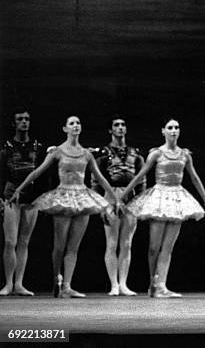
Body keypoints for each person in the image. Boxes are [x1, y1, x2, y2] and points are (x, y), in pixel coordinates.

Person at [11, 116, 114, 298]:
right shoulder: (57, 151)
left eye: (78, 123)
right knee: (59, 245)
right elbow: (37, 171)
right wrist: (19, 188)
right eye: (72, 123)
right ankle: (56, 279)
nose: (76, 126)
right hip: (63, 197)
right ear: (65, 128)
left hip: (82, 197)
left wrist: (115, 199)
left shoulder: (86, 154)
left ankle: (67, 284)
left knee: (74, 246)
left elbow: (100, 178)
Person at [122, 118, 205, 298]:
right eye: (170, 128)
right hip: (159, 196)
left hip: (177, 198)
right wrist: (122, 196)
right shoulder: (156, 153)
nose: (174, 131)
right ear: (163, 131)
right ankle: (152, 283)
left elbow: (195, 178)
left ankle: (162, 285)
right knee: (154, 246)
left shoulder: (185, 154)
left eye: (176, 128)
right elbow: (141, 175)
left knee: (168, 247)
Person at [92, 115, 145, 296]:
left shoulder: (135, 153)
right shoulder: (103, 153)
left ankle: (123, 283)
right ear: (110, 130)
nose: (120, 128)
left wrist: (139, 202)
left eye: (123, 125)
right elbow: (96, 180)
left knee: (127, 243)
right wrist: (101, 205)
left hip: (130, 199)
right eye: (116, 125)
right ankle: (113, 284)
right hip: (110, 196)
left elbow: (141, 179)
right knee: (112, 242)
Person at [0, 108, 45, 296]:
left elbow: (43, 175)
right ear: (14, 123)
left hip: (31, 197)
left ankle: (19, 283)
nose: (24, 122)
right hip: (10, 195)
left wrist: (41, 199)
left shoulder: (38, 147)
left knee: (24, 241)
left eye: (27, 119)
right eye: (20, 119)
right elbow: (1, 174)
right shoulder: (6, 148)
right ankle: (8, 283)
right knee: (10, 241)